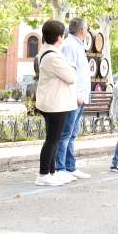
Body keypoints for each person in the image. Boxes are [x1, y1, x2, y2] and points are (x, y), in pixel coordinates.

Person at [34, 19, 77, 186]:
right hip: (55, 103)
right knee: (52, 140)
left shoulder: (46, 52)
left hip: (52, 101)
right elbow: (71, 77)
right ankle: (43, 174)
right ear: (60, 37)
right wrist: (72, 67)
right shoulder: (53, 56)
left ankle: (51, 172)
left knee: (54, 139)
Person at [55, 18, 92, 181]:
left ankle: (70, 166)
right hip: (74, 97)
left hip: (80, 97)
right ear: (82, 30)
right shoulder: (70, 45)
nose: (88, 31)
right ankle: (61, 167)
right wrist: (76, 94)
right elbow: (70, 72)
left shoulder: (78, 45)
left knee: (72, 133)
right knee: (66, 134)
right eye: (87, 28)